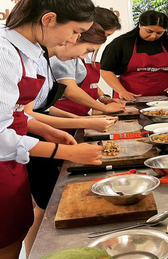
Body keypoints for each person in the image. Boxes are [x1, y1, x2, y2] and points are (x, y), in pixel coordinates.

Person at [0, 0, 102, 259]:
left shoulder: (28, 52)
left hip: (13, 164)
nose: (73, 40)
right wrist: (65, 151)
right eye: (75, 32)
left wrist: (44, 130)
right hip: (2, 163)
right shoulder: (4, 53)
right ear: (49, 19)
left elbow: (17, 113)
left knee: (14, 237)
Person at [23, 22, 119, 256]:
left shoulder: (44, 60)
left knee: (44, 205)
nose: (80, 51)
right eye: (85, 48)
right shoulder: (31, 59)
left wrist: (79, 120)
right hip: (28, 142)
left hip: (41, 134)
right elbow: (27, 114)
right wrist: (85, 122)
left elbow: (45, 107)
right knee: (44, 207)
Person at [100, 10, 168, 100]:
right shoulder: (121, 43)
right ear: (140, 25)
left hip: (165, 99)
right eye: (149, 31)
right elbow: (106, 70)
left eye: (159, 33)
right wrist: (121, 91)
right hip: (129, 98)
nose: (153, 36)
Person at [50, 22, 125, 116]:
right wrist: (103, 108)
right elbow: (70, 89)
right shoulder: (65, 56)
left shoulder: (78, 54)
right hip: (63, 113)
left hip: (75, 114)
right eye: (105, 34)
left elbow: (90, 83)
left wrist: (102, 97)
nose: (82, 56)